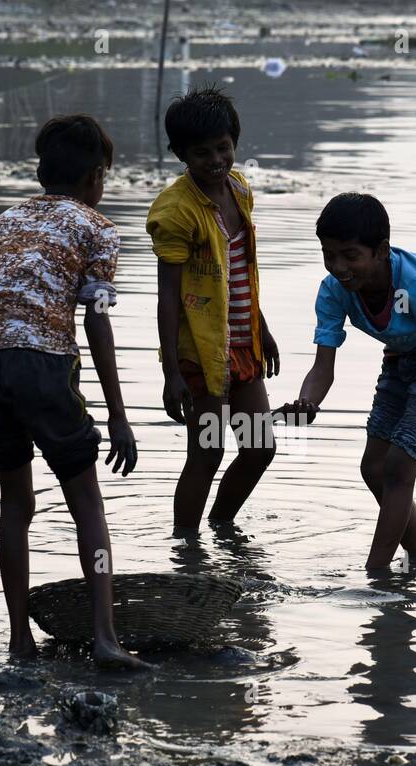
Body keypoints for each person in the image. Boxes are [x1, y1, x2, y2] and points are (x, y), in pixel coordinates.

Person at [0, 114, 149, 669]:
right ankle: (106, 640)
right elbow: (98, 320)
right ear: (96, 177)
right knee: (86, 499)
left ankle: (20, 642)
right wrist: (118, 415)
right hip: (41, 366)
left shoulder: (3, 222)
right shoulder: (97, 227)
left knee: (15, 503)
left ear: (41, 172)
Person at [280, 193, 416, 570]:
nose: (338, 267)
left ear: (381, 250)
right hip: (402, 352)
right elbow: (322, 369)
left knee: (399, 465)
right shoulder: (334, 291)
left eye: (350, 255)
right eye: (328, 255)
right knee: (374, 467)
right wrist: (307, 403)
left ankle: (376, 577)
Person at [146, 85, 281, 534]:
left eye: (223, 148)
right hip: (202, 354)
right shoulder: (176, 211)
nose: (216, 160)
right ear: (181, 154)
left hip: (242, 343)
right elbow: (167, 296)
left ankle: (222, 525)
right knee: (207, 451)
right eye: (202, 153)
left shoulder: (239, 191)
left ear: (234, 143)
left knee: (259, 447)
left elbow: (240, 270)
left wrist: (262, 329)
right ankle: (186, 549)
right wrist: (171, 372)